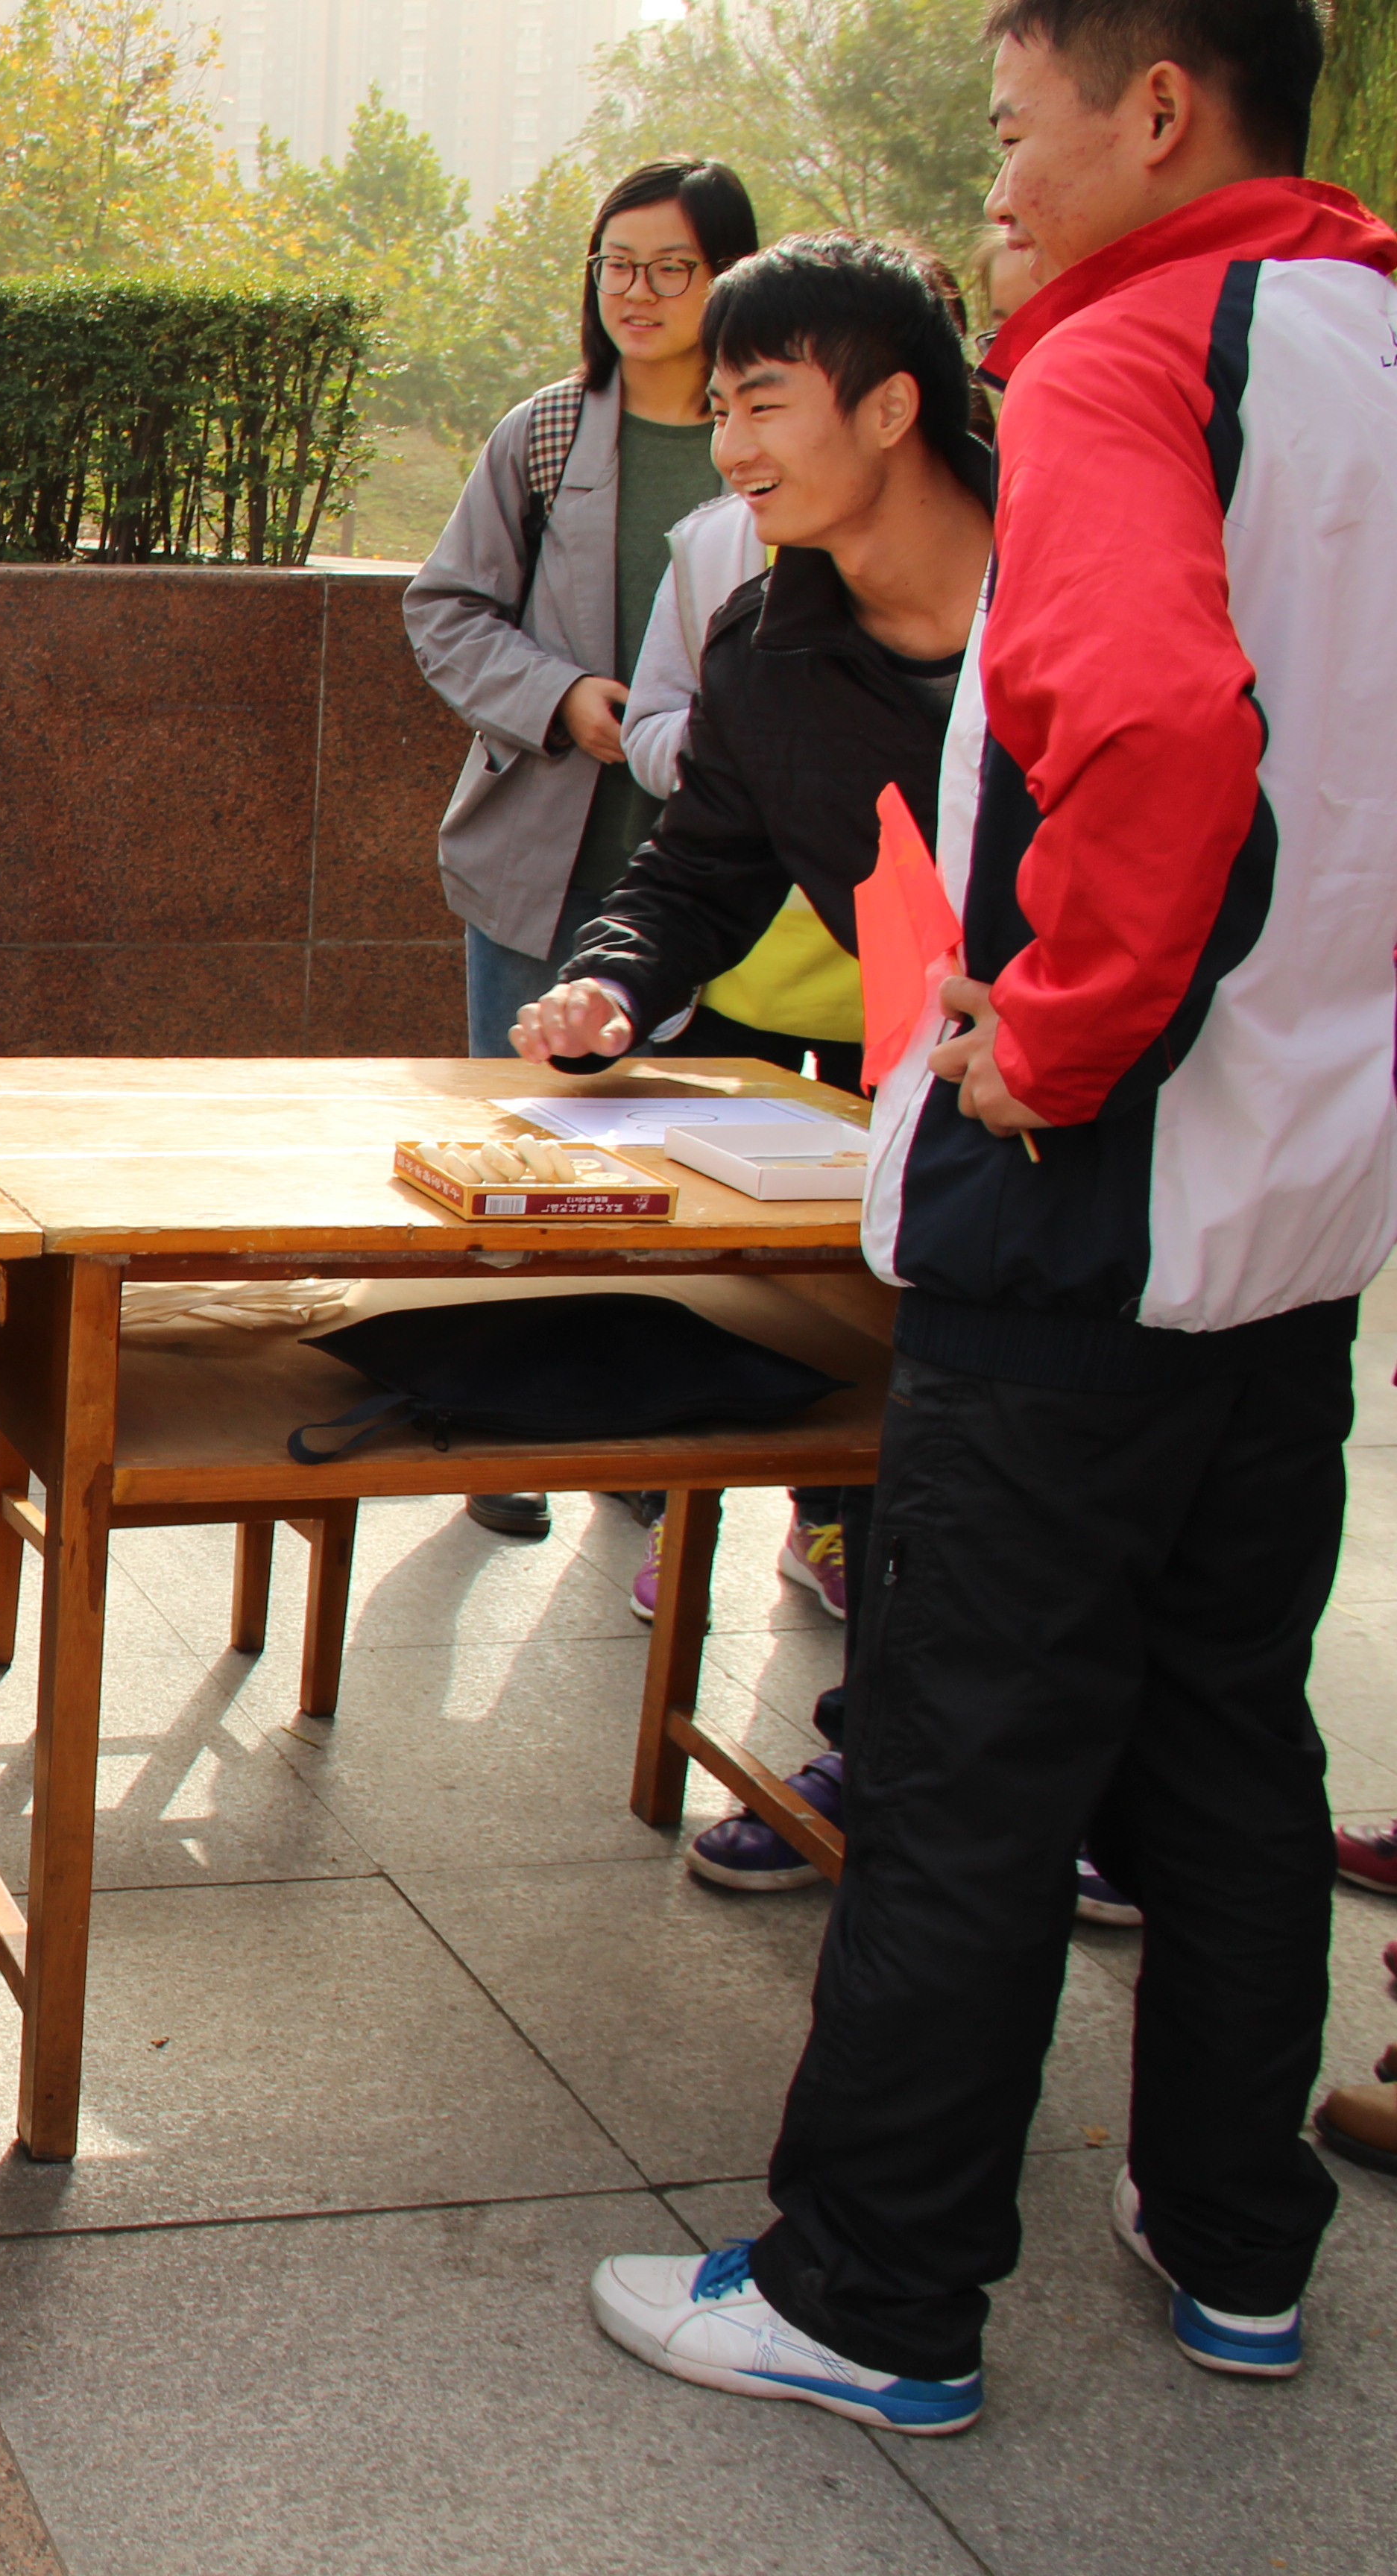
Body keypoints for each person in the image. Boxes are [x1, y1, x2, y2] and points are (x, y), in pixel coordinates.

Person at [592, 0, 1397, 2432]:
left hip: (1089, 1220)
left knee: (963, 1763)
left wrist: (1047, 1039)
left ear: (1158, 107)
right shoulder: (1363, 340)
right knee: (1230, 1742)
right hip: (1301, 1208)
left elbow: (1154, 729)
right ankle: (1234, 2235)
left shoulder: (1134, 354)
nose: (1005, 186)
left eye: (1016, 125)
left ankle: (871, 2291)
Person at [508, 233, 994, 1892]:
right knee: (935, 1462)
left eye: (760, 403)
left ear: (893, 406)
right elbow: (694, 871)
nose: (726, 449)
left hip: (1157, 1121)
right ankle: (888, 1764)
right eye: (715, 409)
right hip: (956, 1121)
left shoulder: (1088, 582)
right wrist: (609, 986)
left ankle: (1109, 1807)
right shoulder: (770, 646)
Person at [406, 157, 761, 1541]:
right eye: (617, 264)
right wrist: (559, 698)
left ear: (729, 276)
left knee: (669, 1166)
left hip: (721, 877)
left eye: (671, 267)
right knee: (515, 1146)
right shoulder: (549, 433)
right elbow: (445, 608)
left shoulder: (766, 438)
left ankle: (637, 1430)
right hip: (542, 849)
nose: (637, 292)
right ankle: (500, 1429)